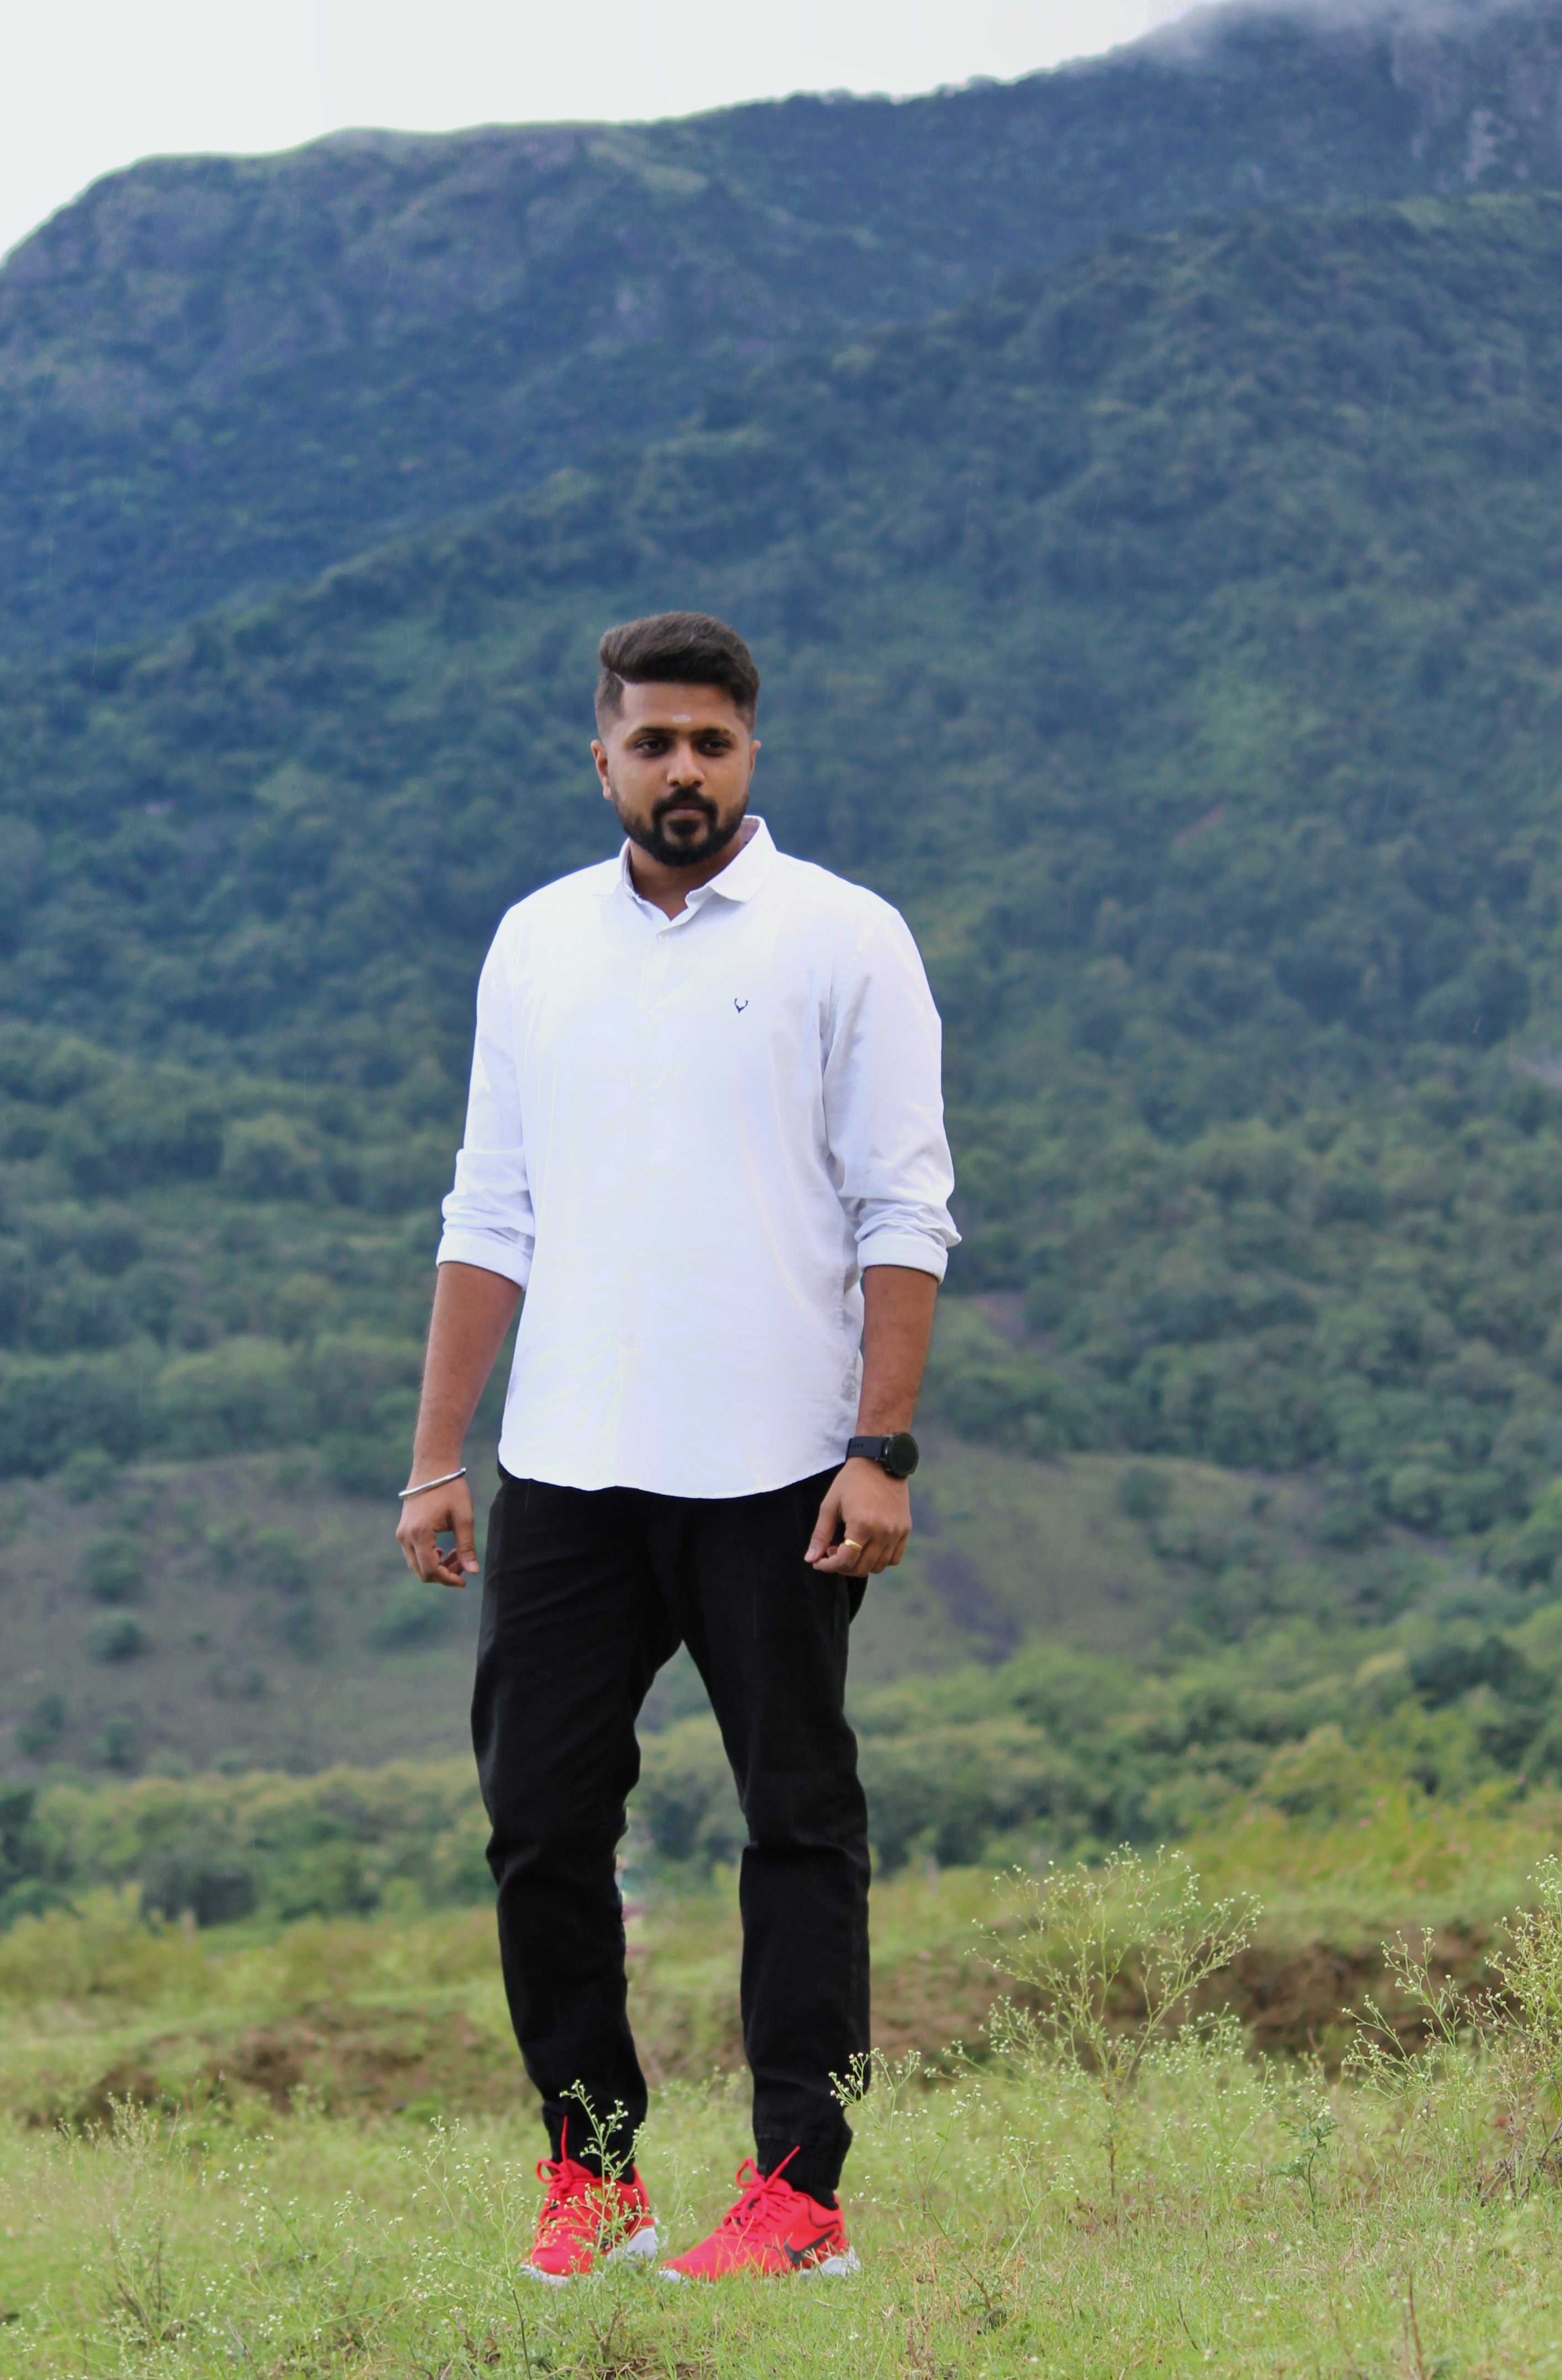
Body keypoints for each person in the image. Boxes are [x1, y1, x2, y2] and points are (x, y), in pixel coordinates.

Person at [395, 610, 956, 2282]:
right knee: (540, 1823)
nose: (683, 768)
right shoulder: (536, 943)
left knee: (798, 1821)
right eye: (653, 743)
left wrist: (882, 1448)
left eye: (712, 741)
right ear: (605, 760)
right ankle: (597, 2174)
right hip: (568, 1467)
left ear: (750, 753)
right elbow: (489, 1209)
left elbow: (905, 1210)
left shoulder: (845, 936)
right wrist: (438, 1455)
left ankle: (797, 2199)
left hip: (781, 1468)